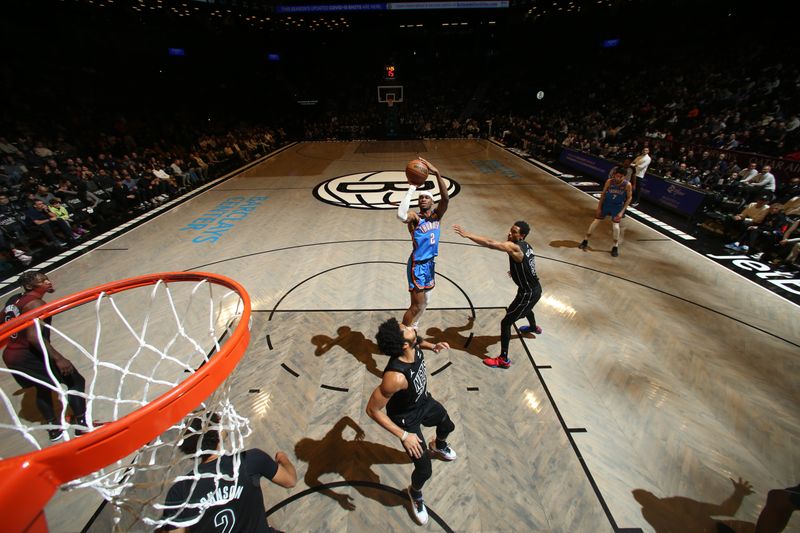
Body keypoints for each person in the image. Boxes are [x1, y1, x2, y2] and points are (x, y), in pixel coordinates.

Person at [366, 317, 454, 525]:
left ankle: (438, 445)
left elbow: (419, 339)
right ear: (404, 344)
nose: (408, 326)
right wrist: (404, 435)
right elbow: (372, 410)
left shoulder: (413, 344)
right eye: (405, 328)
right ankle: (414, 493)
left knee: (448, 426)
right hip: (406, 419)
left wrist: (433, 346)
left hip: (423, 402)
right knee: (424, 470)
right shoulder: (394, 377)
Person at [159, 414, 297, 532]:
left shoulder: (178, 491)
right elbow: (290, 480)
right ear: (216, 433)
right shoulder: (250, 460)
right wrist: (284, 459)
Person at [2, 271, 86, 442]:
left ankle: (54, 429)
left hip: (12, 355)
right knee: (75, 381)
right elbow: (34, 338)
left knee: (42, 388)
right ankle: (82, 424)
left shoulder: (14, 300)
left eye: (47, 279)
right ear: (30, 286)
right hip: (27, 353)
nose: (48, 282)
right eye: (42, 281)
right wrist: (58, 358)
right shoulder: (35, 304)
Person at [452, 221, 542, 368]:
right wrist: (514, 272)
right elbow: (528, 264)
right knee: (525, 308)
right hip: (533, 289)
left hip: (528, 293)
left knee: (506, 322)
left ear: (522, 236)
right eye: (510, 230)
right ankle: (533, 327)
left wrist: (468, 235)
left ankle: (503, 359)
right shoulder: (527, 246)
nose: (509, 233)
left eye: (514, 232)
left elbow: (490, 243)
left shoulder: (514, 246)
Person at [396, 157, 450, 328]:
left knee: (426, 301)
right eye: (421, 198)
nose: (423, 200)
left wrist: (438, 174)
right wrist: (412, 188)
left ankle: (414, 326)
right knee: (416, 305)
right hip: (417, 265)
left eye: (427, 197)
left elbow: (446, 199)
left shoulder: (437, 216)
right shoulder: (415, 218)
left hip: (430, 264)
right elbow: (401, 215)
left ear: (432, 201)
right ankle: (401, 337)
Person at [578, 167, 632, 257]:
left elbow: (629, 198)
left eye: (620, 177)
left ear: (624, 177)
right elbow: (603, 194)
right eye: (617, 176)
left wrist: (622, 212)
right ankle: (585, 240)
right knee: (596, 221)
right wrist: (599, 208)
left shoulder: (627, 184)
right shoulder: (609, 181)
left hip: (617, 207)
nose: (618, 178)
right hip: (606, 204)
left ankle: (615, 246)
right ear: (614, 174)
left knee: (615, 227)